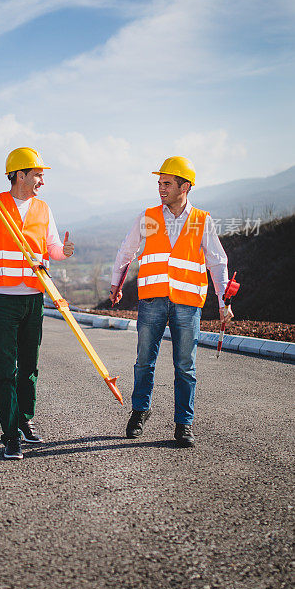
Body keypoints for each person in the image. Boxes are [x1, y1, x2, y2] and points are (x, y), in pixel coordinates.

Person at [0, 147, 74, 460]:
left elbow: (52, 247)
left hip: (34, 298)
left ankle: (25, 420)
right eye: (38, 174)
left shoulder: (44, 209)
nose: (42, 181)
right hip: (0, 300)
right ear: (20, 175)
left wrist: (64, 251)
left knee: (29, 366)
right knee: (5, 370)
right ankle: (10, 436)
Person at [109, 156, 233, 448]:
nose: (161, 188)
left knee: (185, 366)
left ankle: (184, 424)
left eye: (167, 183)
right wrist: (116, 284)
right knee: (143, 362)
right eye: (159, 183)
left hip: (188, 304)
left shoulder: (202, 220)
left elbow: (218, 262)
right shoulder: (149, 217)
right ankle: (140, 411)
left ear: (185, 186)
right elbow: (126, 251)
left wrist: (223, 300)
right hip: (152, 300)